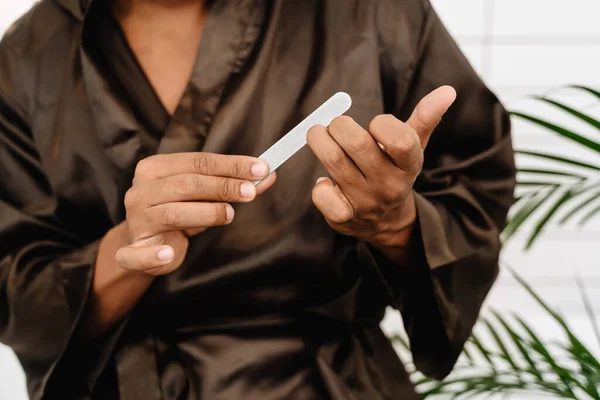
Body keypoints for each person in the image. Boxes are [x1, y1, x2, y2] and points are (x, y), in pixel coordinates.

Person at [0, 0, 516, 398]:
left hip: (333, 382)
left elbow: (475, 189)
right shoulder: (28, 55)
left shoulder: (371, 11)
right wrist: (130, 250)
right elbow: (17, 288)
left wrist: (394, 222)